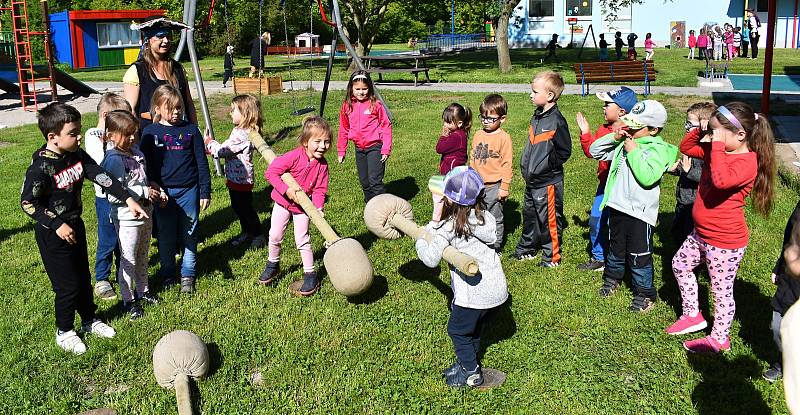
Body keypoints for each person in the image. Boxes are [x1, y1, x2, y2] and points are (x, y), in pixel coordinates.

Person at [20, 102, 148, 354]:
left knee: (82, 278)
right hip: (53, 234)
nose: (80, 136)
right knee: (67, 286)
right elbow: (28, 203)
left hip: (75, 226)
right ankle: (65, 330)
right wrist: (56, 224)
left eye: (79, 130)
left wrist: (129, 198)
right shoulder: (41, 167)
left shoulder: (77, 155)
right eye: (73, 132)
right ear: (52, 137)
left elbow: (101, 176)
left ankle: (89, 319)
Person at [666, 102, 776, 353]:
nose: (713, 136)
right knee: (680, 265)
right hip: (700, 234)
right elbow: (686, 148)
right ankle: (693, 314)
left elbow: (721, 180)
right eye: (712, 130)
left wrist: (715, 145)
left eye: (718, 132)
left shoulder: (747, 162)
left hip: (725, 242)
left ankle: (719, 338)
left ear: (741, 135)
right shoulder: (717, 149)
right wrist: (700, 132)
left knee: (721, 291)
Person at [415, 166, 509, 388]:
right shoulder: (486, 218)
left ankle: (471, 372)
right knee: (472, 329)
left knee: (457, 331)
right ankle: (467, 361)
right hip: (496, 290)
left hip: (473, 296)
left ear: (448, 199)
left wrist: (421, 237)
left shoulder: (450, 227)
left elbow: (430, 259)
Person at [590, 100, 678, 312]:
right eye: (629, 124)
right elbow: (595, 151)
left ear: (654, 130)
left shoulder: (658, 150)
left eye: (636, 126)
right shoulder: (624, 142)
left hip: (640, 214)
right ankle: (612, 278)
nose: (629, 128)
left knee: (639, 255)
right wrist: (615, 137)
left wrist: (634, 151)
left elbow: (647, 177)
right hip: (617, 206)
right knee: (616, 248)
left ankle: (645, 293)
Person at [139, 84, 212, 295]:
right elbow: (146, 165)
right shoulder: (150, 133)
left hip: (189, 190)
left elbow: (201, 163)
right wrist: (153, 186)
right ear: (158, 108)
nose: (177, 111)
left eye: (179, 107)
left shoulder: (191, 130)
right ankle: (168, 273)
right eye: (171, 108)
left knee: (190, 233)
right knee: (166, 235)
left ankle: (188, 273)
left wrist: (204, 191)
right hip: (163, 194)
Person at [258, 116, 331, 297]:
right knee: (274, 235)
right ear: (305, 142)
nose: (323, 146)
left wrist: (318, 208)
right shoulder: (293, 156)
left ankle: (310, 274)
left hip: (303, 208)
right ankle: (273, 264)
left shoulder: (322, 165)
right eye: (318, 141)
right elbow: (271, 172)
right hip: (283, 203)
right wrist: (286, 190)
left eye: (327, 142)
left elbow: (321, 189)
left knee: (302, 239)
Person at [101, 110, 160, 321]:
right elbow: (114, 193)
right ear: (111, 135)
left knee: (143, 254)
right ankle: (128, 299)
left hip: (146, 212)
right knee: (128, 259)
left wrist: (152, 187)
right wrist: (143, 192)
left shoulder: (137, 152)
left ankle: (143, 291)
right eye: (127, 134)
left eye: (134, 133)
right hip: (127, 218)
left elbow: (141, 179)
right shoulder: (113, 160)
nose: (132, 138)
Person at [512, 71, 572, 268]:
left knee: (549, 220)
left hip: (547, 182)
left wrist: (546, 166)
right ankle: (526, 248)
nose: (531, 95)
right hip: (532, 181)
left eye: (534, 91)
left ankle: (551, 257)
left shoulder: (557, 121)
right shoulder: (537, 116)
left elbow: (564, 151)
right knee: (529, 216)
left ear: (549, 96)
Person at [575, 86, 637, 272]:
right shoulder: (603, 129)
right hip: (605, 185)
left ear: (622, 111)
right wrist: (585, 132)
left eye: (607, 104)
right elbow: (591, 152)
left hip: (625, 187)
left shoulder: (634, 130)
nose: (603, 108)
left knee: (621, 225)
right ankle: (599, 257)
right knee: (596, 219)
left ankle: (624, 258)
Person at [85, 93, 131, 301]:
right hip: (105, 198)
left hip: (125, 195)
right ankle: (102, 278)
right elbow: (100, 165)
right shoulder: (93, 135)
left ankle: (125, 272)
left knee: (124, 236)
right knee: (108, 238)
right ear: (106, 116)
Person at [204, 94, 265, 248]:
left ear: (245, 114)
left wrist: (209, 143)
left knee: (246, 209)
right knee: (238, 207)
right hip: (235, 179)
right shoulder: (239, 130)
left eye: (234, 110)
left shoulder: (242, 134)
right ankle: (247, 232)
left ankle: (258, 235)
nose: (230, 113)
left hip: (241, 180)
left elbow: (222, 150)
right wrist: (211, 149)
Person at [123, 17, 197, 132]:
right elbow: (130, 111)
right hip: (149, 138)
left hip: (179, 137)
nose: (166, 40)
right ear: (149, 39)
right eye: (160, 36)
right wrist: (135, 142)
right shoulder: (137, 70)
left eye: (168, 36)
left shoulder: (177, 69)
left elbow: (188, 104)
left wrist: (194, 130)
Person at [337, 71, 392, 203]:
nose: (361, 92)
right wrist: (341, 150)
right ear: (351, 88)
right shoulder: (347, 106)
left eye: (364, 89)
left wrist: (385, 149)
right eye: (357, 89)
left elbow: (386, 126)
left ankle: (383, 209)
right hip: (359, 148)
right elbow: (344, 128)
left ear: (370, 88)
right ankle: (371, 207)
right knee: (365, 182)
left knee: (375, 181)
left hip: (375, 147)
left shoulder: (375, 104)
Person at [667, 102, 716, 248]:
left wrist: (688, 171)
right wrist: (676, 169)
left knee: (689, 236)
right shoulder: (693, 145)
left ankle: (689, 263)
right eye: (686, 123)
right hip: (683, 198)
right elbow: (686, 166)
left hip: (695, 203)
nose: (686, 127)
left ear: (704, 126)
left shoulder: (709, 150)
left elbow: (710, 178)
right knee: (676, 231)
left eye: (690, 124)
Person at [469, 94, 512, 251]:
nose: (486, 121)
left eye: (491, 118)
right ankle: (481, 240)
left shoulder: (504, 138)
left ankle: (496, 246)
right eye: (483, 117)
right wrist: (470, 178)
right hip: (477, 184)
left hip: (494, 186)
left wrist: (504, 187)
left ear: (502, 119)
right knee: (478, 214)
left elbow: (507, 164)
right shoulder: (478, 134)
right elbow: (473, 158)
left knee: (495, 217)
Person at [763, 201, 800, 382]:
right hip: (791, 279)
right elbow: (790, 238)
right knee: (777, 325)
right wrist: (780, 265)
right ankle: (783, 361)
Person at [433, 103, 472, 222]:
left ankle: (437, 220)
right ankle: (453, 217)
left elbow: (439, 148)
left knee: (440, 196)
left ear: (459, 123)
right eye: (445, 121)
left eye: (449, 122)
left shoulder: (456, 137)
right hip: (453, 174)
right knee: (451, 198)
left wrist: (443, 136)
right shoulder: (459, 134)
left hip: (451, 175)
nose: (445, 124)